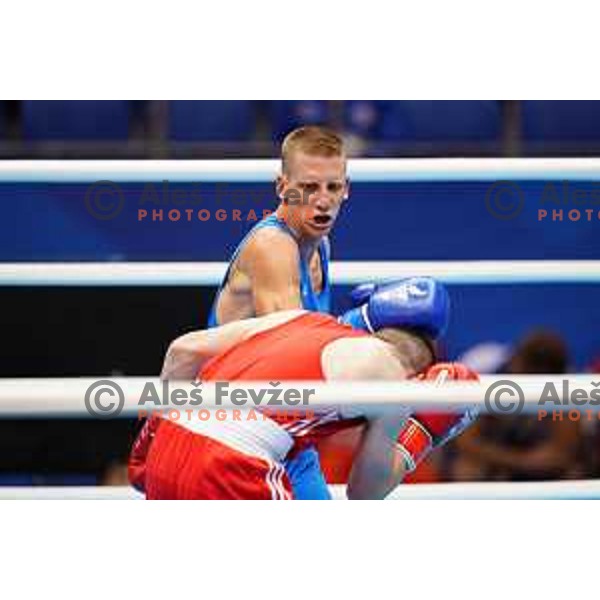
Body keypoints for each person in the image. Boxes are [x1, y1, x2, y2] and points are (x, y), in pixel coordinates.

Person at [129, 277, 477, 499]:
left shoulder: (298, 319)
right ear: (424, 368)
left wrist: (154, 436)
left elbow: (183, 350)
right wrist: (420, 432)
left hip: (169, 446)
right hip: (232, 465)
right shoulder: (392, 376)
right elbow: (365, 492)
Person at [208, 125, 348, 498]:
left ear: (346, 188)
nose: (322, 201)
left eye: (332, 188)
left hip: (286, 436)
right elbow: (290, 359)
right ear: (282, 187)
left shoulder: (321, 245)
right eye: (308, 187)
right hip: (231, 434)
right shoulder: (273, 245)